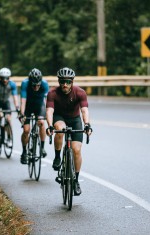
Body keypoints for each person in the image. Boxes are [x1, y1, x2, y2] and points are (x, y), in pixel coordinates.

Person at [45, 67, 92, 196]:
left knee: (76, 150)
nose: (64, 84)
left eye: (67, 81)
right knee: (60, 129)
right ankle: (57, 157)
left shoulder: (80, 92)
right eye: (62, 82)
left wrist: (87, 124)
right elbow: (49, 111)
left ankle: (76, 180)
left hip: (75, 119)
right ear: (59, 82)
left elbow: (84, 110)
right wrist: (50, 125)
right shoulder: (53, 93)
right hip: (59, 117)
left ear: (72, 81)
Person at [19, 68, 49, 164]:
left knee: (41, 122)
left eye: (38, 85)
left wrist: (48, 115)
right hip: (28, 106)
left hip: (39, 106)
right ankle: (24, 152)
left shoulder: (44, 84)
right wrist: (22, 114)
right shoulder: (25, 84)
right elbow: (23, 100)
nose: (36, 87)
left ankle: (42, 148)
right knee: (26, 130)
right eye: (34, 85)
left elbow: (46, 101)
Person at [0, 67, 19, 140]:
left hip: (6, 102)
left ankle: (9, 136)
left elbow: (15, 96)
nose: (5, 80)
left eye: (7, 78)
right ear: (0, 78)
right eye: (3, 78)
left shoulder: (12, 84)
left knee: (9, 119)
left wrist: (17, 107)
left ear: (9, 78)